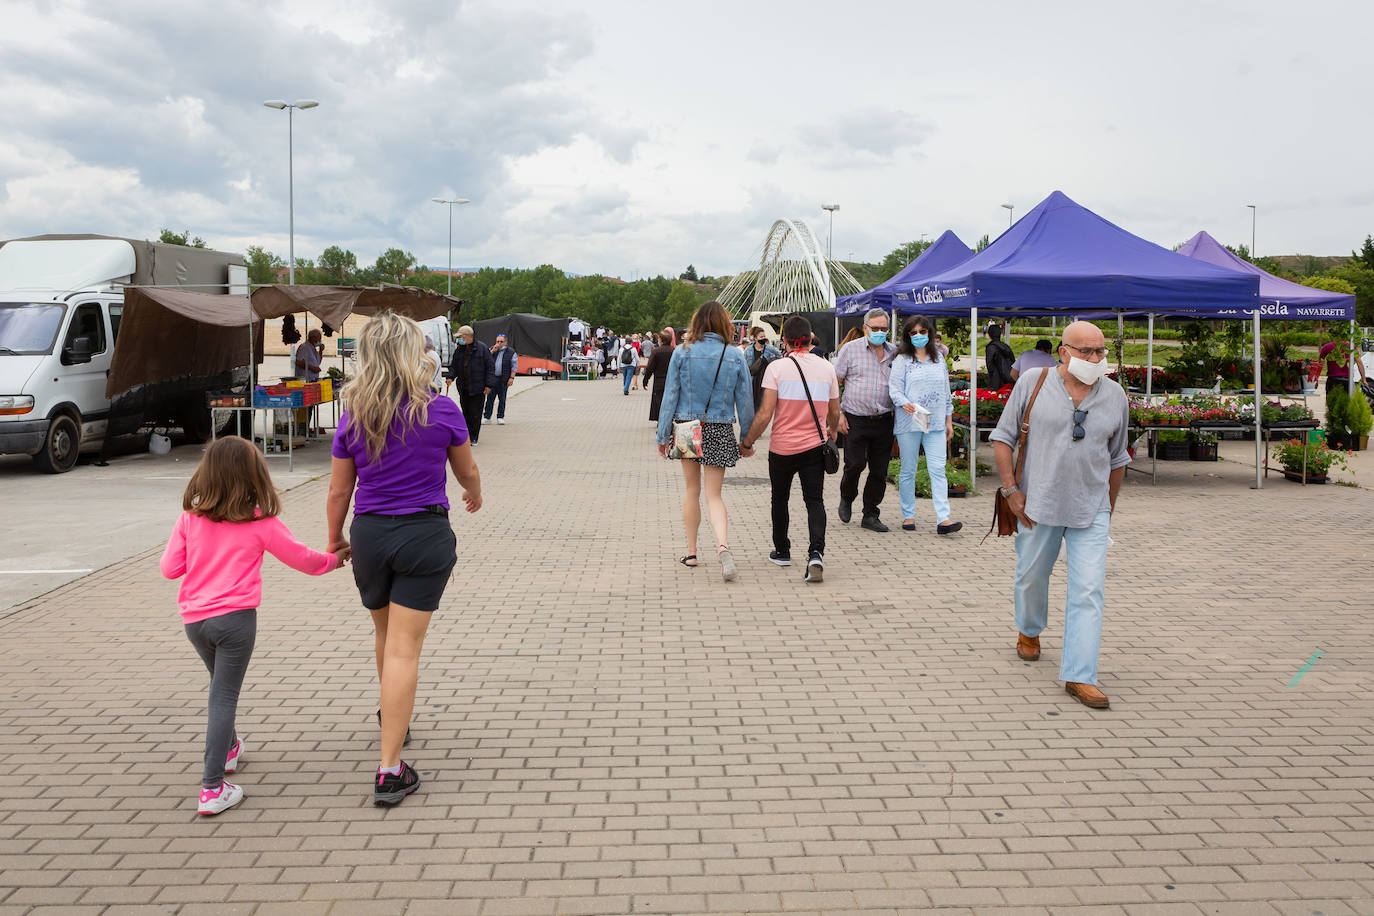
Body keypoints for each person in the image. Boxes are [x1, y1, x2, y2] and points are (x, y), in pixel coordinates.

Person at [327, 311, 483, 805]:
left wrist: (334, 539)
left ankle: (391, 717)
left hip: (370, 536)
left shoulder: (354, 414)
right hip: (424, 536)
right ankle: (390, 769)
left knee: (384, 634)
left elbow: (338, 490)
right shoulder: (441, 411)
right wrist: (474, 494)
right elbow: (467, 471)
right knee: (404, 649)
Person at [160, 436, 344, 815]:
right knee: (223, 696)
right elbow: (304, 560)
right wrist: (334, 560)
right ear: (254, 476)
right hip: (236, 622)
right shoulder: (260, 522)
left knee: (219, 688)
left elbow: (170, 569)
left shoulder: (189, 519)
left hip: (195, 622)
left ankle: (228, 750)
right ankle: (212, 788)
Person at [991, 320, 1130, 711]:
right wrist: (1011, 491)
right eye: (1086, 351)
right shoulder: (1034, 382)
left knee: (1089, 590)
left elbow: (1118, 457)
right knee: (1031, 575)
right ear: (1064, 352)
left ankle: (1079, 675)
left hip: (1091, 508)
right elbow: (1003, 438)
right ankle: (1030, 630)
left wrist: (1108, 506)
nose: (1095, 358)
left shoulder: (1115, 395)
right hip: (1038, 505)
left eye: (1100, 351)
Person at [655, 301, 754, 582]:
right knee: (714, 495)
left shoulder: (682, 352)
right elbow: (745, 401)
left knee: (691, 490)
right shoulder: (734, 355)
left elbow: (670, 396)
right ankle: (723, 546)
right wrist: (746, 440)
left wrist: (663, 435)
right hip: (720, 427)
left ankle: (691, 551)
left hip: (687, 427)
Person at [739, 315, 839, 584]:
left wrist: (747, 442)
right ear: (810, 339)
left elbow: (764, 414)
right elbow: (834, 412)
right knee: (814, 501)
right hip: (814, 448)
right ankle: (816, 553)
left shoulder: (777, 368)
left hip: (782, 448)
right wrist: (833, 434)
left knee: (780, 499)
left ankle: (782, 550)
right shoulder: (827, 368)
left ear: (784, 341)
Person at [889, 315, 961, 535]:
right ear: (907, 336)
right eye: (913, 333)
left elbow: (946, 393)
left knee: (938, 469)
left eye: (922, 332)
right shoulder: (902, 360)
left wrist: (949, 421)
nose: (918, 336)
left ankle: (944, 518)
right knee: (908, 469)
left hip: (936, 421)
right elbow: (894, 389)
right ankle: (908, 515)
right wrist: (905, 403)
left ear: (929, 333)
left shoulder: (938, 358)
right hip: (909, 420)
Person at [832, 307, 897, 532]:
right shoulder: (850, 350)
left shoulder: (894, 353)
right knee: (855, 464)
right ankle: (847, 497)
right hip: (855, 418)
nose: (879, 332)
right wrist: (838, 414)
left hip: (884, 419)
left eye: (883, 329)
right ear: (865, 328)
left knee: (879, 470)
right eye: (875, 328)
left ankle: (870, 513)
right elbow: (834, 382)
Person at [444, 325, 494, 445]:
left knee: (475, 413)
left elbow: (490, 367)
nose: (459, 340)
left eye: (460, 337)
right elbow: (454, 366)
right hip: (463, 387)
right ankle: (465, 436)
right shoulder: (459, 350)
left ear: (466, 336)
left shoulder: (481, 349)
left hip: (478, 387)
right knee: (465, 412)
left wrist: (489, 385)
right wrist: (450, 377)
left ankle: (474, 437)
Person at [294, 328, 325, 434]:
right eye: (319, 338)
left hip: (313, 381)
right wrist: (311, 368)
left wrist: (321, 351)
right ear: (313, 337)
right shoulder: (304, 347)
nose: (320, 340)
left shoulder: (313, 348)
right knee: (305, 407)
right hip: (305, 381)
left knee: (310, 407)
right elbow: (297, 362)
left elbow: (318, 363)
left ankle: (306, 428)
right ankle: (302, 429)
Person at [745, 327, 782, 410]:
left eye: (764, 336)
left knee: (763, 404)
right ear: (755, 338)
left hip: (765, 379)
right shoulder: (748, 350)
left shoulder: (770, 348)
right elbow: (745, 366)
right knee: (752, 404)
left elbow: (780, 356)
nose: (763, 338)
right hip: (753, 379)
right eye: (761, 337)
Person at [485, 334, 519, 424]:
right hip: (492, 378)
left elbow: (514, 366)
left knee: (502, 399)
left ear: (505, 342)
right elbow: (485, 360)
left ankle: (500, 416)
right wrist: (492, 351)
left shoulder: (511, 352)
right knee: (490, 399)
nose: (499, 343)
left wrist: (511, 378)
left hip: (503, 379)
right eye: (497, 341)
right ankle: (487, 417)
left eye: (501, 342)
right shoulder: (491, 350)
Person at [643, 329, 674, 423]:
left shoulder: (656, 352)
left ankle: (662, 422)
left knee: (659, 402)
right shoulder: (674, 351)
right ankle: (669, 421)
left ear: (660, 340)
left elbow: (650, 368)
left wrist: (645, 380)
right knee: (670, 403)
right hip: (672, 381)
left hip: (659, 381)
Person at [984, 323, 1015, 390]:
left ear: (989, 334)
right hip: (1009, 379)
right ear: (1000, 334)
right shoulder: (1006, 347)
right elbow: (1013, 361)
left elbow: (989, 365)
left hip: (996, 381)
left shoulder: (991, 347)